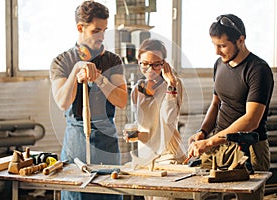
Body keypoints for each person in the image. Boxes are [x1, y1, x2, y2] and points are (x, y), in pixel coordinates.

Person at [187, 14, 274, 200]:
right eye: (214, 45)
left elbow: (251, 120)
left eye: (222, 46)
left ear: (241, 40)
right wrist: (203, 132)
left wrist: (210, 141)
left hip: (248, 149)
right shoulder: (219, 64)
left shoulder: (258, 70)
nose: (217, 52)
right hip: (219, 145)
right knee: (197, 192)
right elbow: (216, 103)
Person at [49, 1, 127, 200]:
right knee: (76, 194)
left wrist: (100, 79)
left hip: (106, 141)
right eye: (96, 30)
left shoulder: (112, 61)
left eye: (104, 30)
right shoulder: (62, 61)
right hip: (76, 140)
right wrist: (76, 70)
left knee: (109, 193)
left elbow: (122, 100)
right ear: (80, 28)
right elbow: (62, 102)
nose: (102, 36)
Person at [124, 39, 186, 200]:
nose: (150, 69)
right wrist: (134, 133)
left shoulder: (173, 84)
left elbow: (168, 118)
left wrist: (171, 83)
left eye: (156, 64)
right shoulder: (137, 89)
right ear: (139, 62)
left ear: (164, 64)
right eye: (145, 64)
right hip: (146, 156)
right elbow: (143, 124)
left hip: (168, 156)